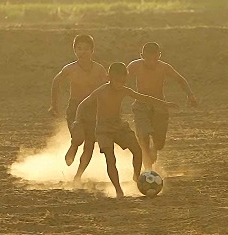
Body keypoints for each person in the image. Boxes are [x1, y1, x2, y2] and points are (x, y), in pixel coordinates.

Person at [77, 62, 178, 197]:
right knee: (110, 158)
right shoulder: (101, 91)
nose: (120, 84)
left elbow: (144, 98)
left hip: (120, 127)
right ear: (109, 78)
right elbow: (83, 104)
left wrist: (165, 103)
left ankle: (136, 177)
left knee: (137, 150)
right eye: (118, 81)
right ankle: (118, 189)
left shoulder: (125, 90)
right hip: (103, 130)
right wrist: (77, 121)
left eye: (123, 81)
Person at [127, 42, 198, 170]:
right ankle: (148, 170)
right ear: (142, 55)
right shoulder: (134, 66)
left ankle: (153, 150)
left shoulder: (164, 67)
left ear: (159, 56)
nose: (151, 62)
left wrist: (190, 95)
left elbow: (180, 79)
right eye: (147, 58)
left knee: (159, 143)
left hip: (160, 106)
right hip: (141, 106)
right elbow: (120, 80)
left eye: (154, 59)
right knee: (143, 137)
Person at [48, 34, 107, 182]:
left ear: (92, 50)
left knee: (90, 144)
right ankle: (74, 146)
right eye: (79, 49)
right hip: (75, 108)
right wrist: (53, 105)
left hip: (94, 109)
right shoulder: (70, 69)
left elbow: (107, 88)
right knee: (79, 138)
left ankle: (78, 175)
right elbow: (56, 82)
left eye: (86, 49)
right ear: (75, 51)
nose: (82, 52)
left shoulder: (99, 69)